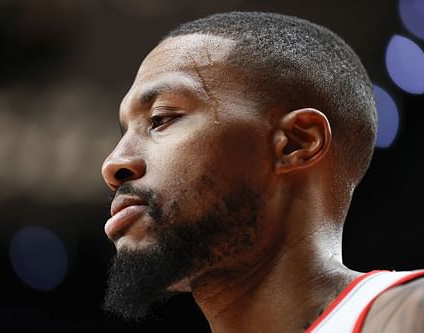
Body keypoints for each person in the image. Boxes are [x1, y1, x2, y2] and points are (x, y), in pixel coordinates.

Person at [100, 11, 424, 333]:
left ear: (296, 142)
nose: (113, 164)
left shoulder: (411, 312)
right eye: (124, 132)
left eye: (161, 118)